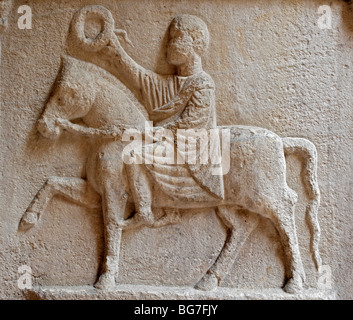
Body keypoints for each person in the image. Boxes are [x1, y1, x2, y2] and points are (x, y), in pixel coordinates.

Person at [101, 14, 224, 226]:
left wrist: (149, 133)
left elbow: (190, 124)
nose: (168, 45)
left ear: (194, 43)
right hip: (171, 142)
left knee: (133, 155)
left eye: (176, 37)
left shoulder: (203, 83)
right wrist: (116, 49)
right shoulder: (171, 83)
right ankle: (168, 208)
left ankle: (144, 213)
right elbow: (141, 78)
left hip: (193, 149)